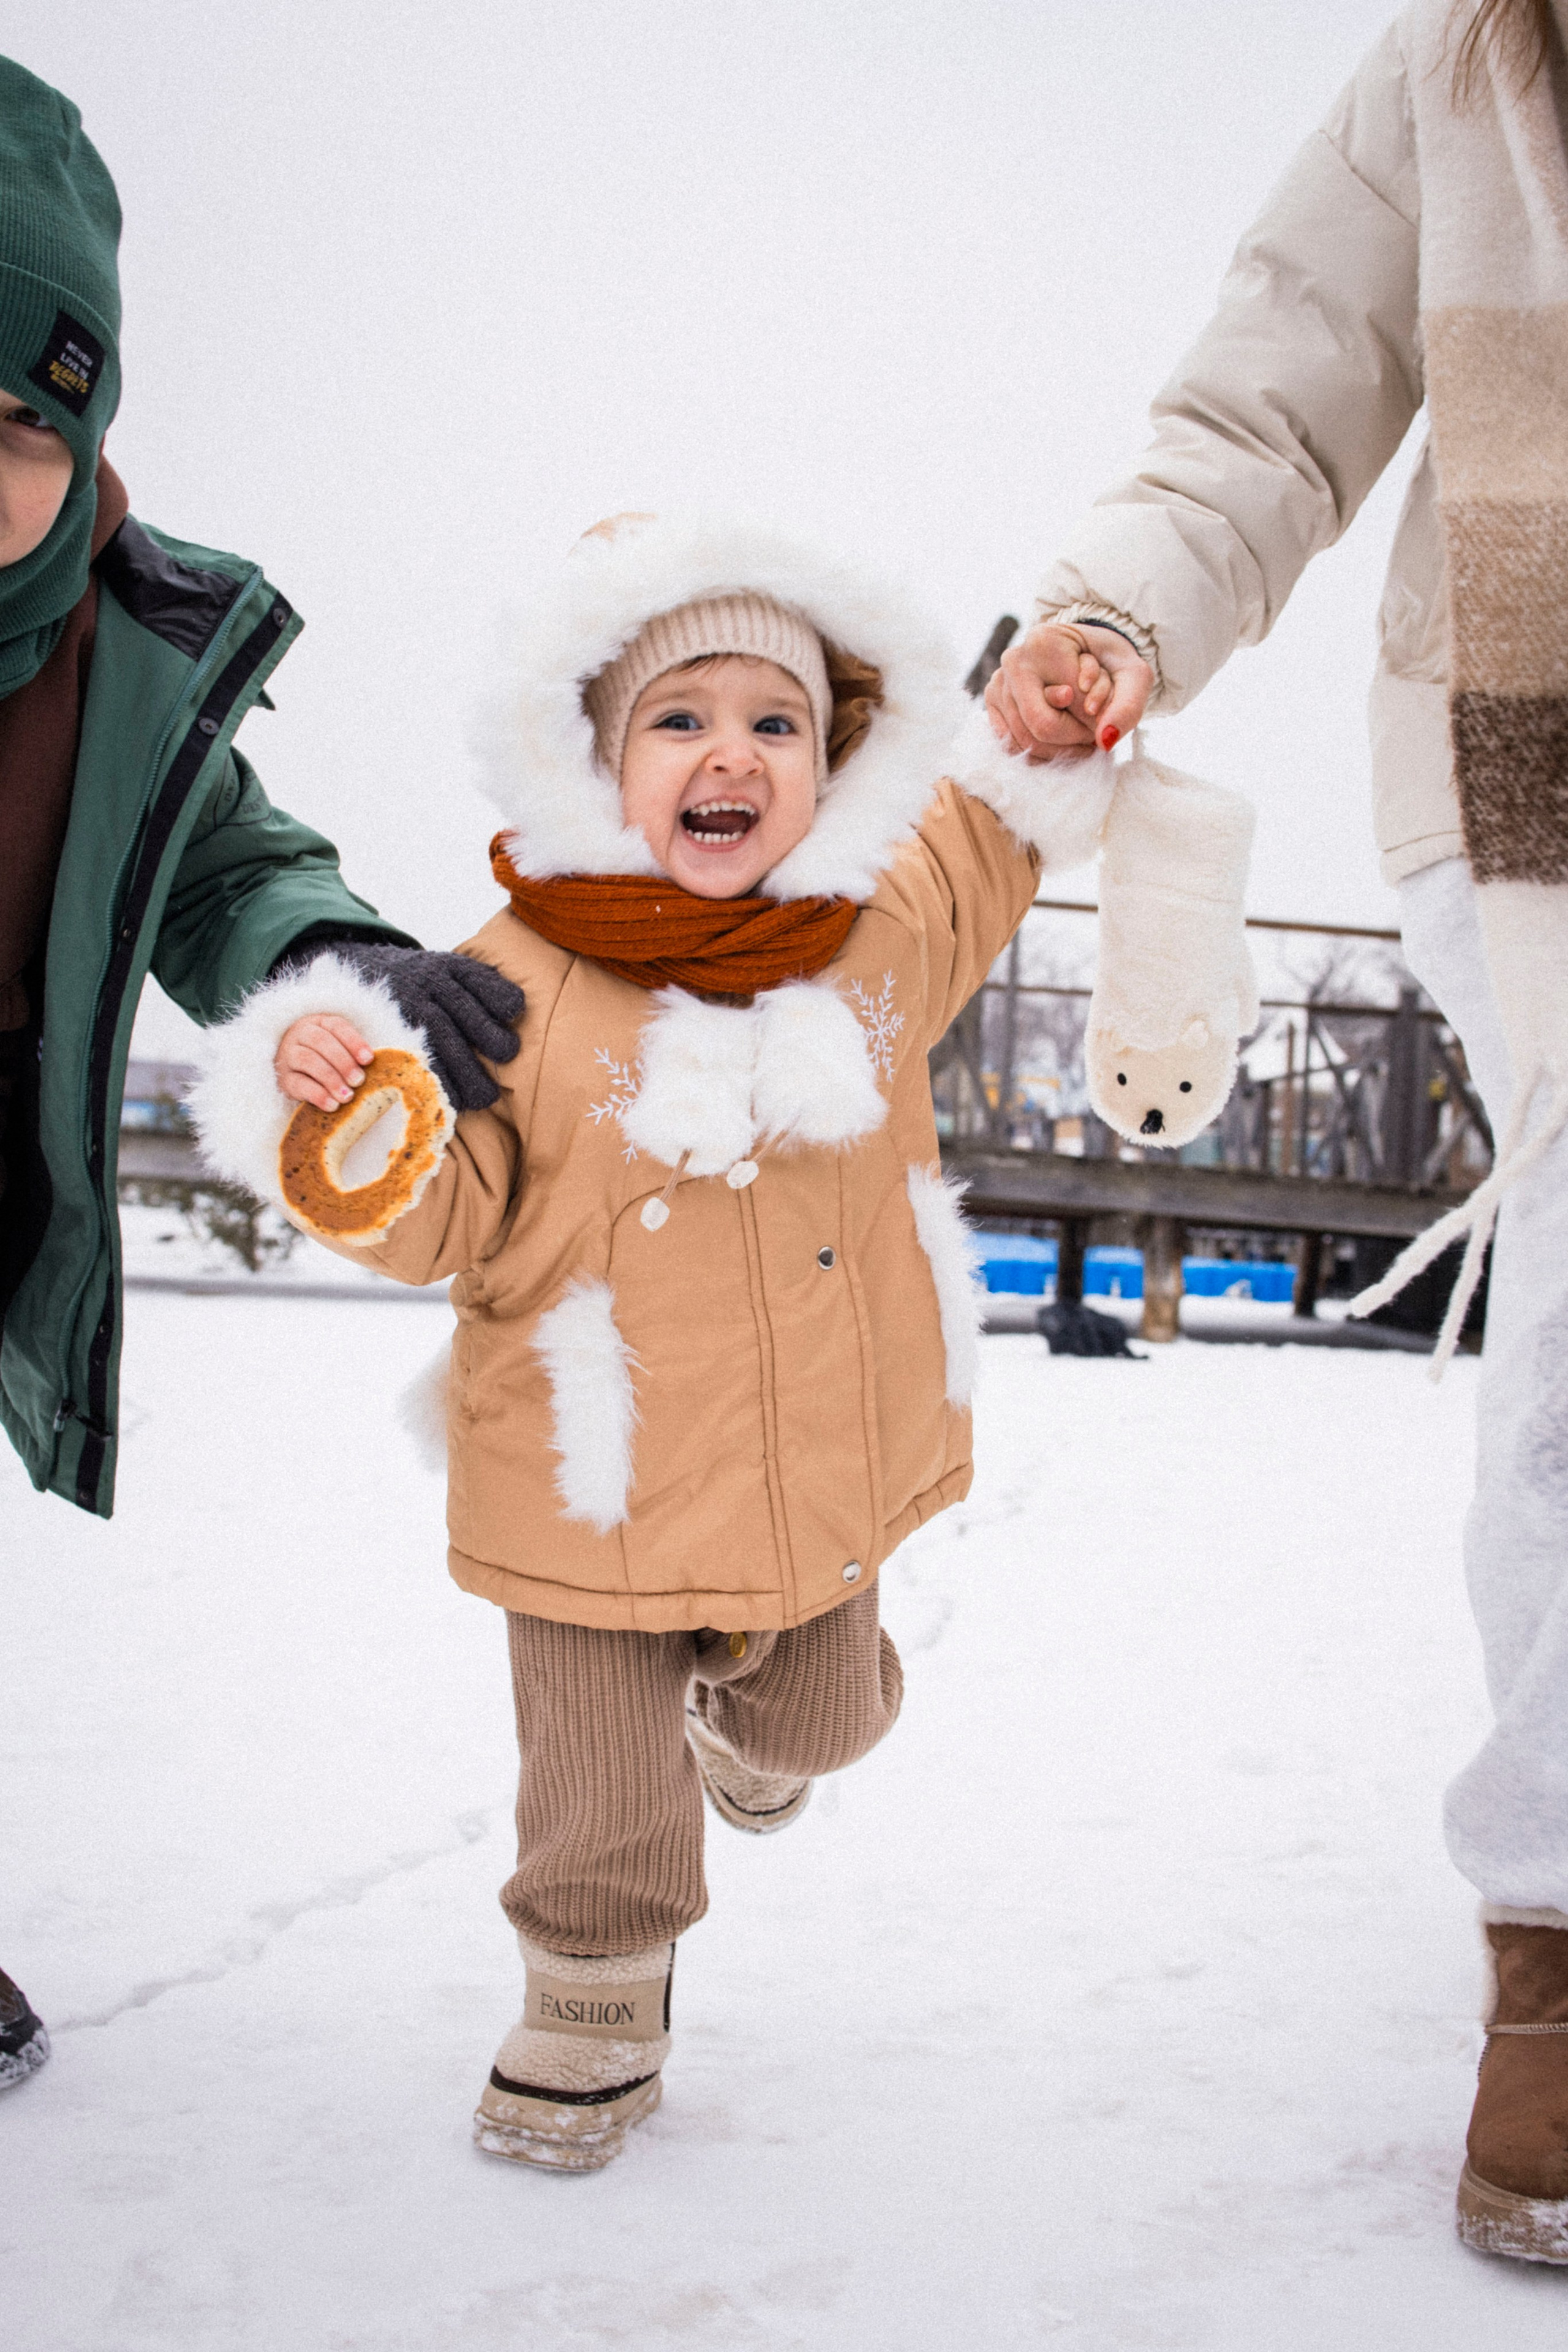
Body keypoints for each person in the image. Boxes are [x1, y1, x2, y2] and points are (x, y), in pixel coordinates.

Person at [193, 511, 1106, 2170]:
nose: (730, 756)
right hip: (586, 1483)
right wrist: (333, 1089)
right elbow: (436, 1213)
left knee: (829, 1720)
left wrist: (1031, 733)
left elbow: (983, 833)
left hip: (814, 1471)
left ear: (836, 765)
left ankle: (755, 1742)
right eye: (679, 720)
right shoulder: (505, 987)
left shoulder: (880, 937)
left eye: (778, 723)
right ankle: (595, 1988)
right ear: (596, 760)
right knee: (599, 1781)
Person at [986, 0, 1568, 2266]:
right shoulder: (1464, 64)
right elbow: (1279, 382)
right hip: (1535, 772)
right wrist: (1120, 605)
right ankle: (1556, 1917)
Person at [0, 58, 522, 2090]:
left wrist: (348, 963)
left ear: (88, 422)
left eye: (15, 432)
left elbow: (221, 856)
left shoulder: (128, 648)